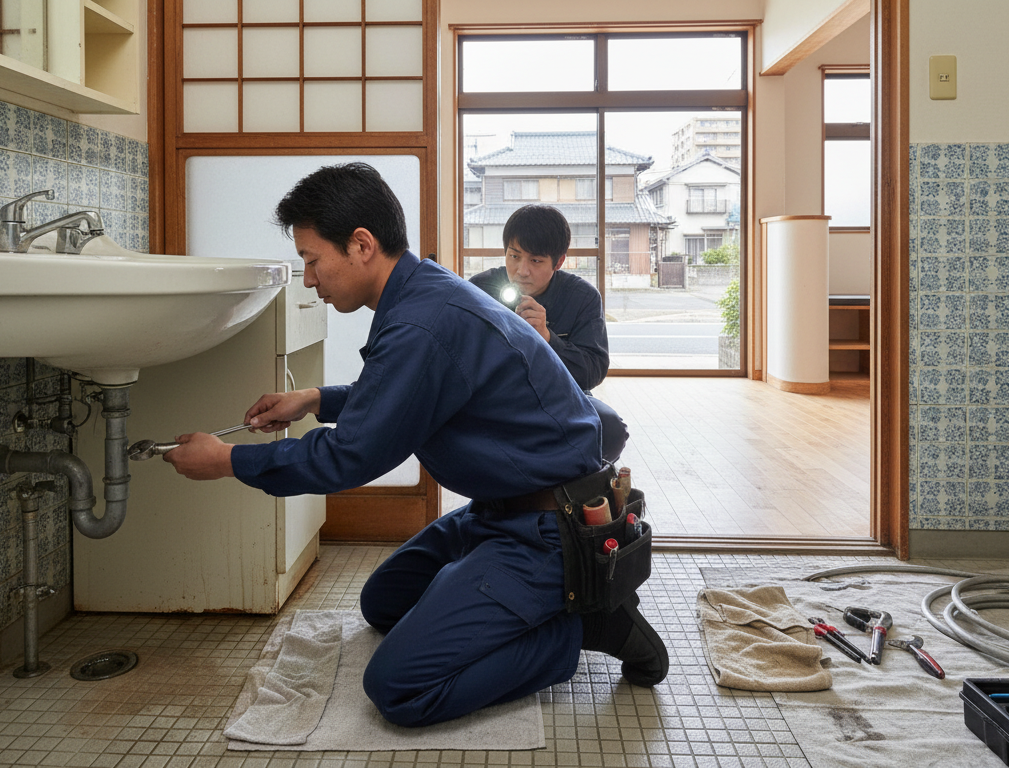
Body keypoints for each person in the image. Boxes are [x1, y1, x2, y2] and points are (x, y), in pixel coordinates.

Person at [163, 163, 667, 727]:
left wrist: (229, 461)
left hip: (552, 529)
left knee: (399, 687)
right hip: (502, 511)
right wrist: (313, 399)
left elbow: (352, 454)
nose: (309, 278)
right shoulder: (423, 294)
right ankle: (506, 597)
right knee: (384, 603)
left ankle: (582, 627)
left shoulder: (420, 321)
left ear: (361, 244)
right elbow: (405, 393)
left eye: (311, 260)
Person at [468, 205, 630, 463]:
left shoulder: (582, 297)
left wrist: (547, 337)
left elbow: (593, 371)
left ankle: (564, 491)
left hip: (561, 398)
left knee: (610, 429)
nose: (522, 270)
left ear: (559, 261)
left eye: (536, 260)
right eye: (514, 256)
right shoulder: (479, 289)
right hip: (496, 398)